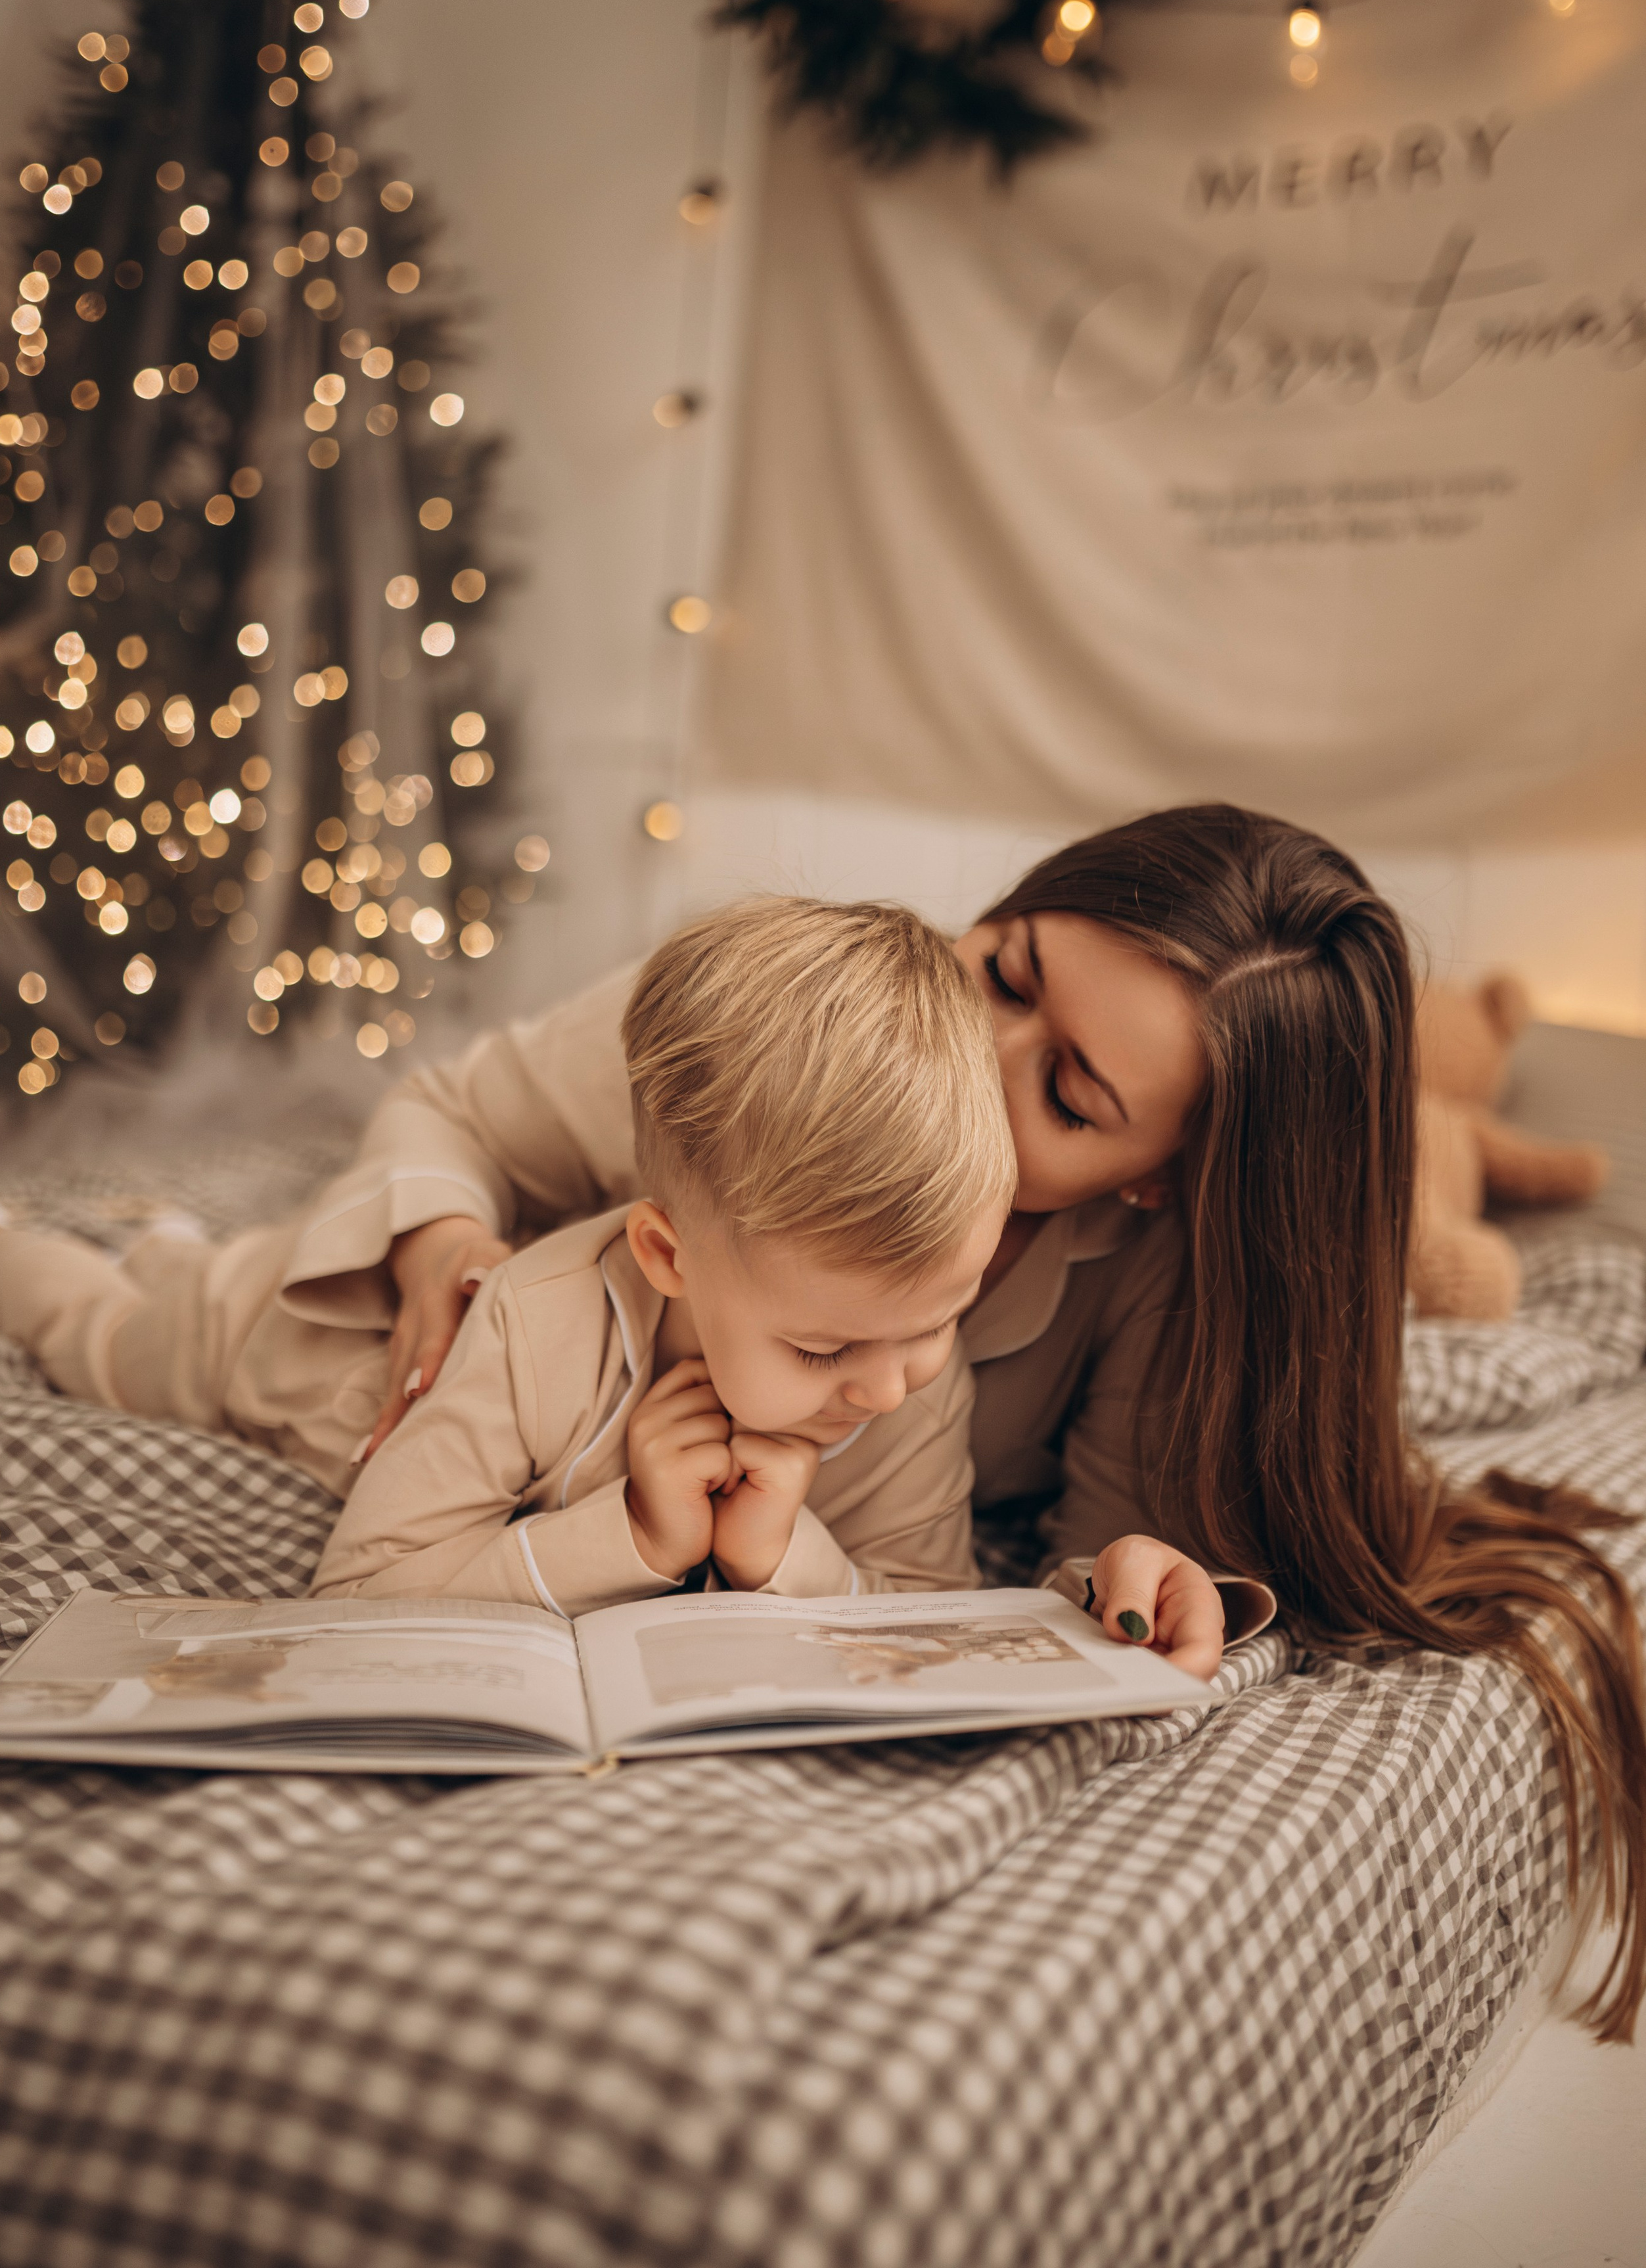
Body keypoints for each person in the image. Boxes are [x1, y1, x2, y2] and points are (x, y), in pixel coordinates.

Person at [276, 800, 1645, 2041]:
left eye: (1063, 1095)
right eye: (1002, 973)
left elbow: (1077, 1564)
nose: (979, 1057)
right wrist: (444, 1250)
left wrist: (1128, 1581)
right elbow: (452, 1108)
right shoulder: (777, 1036)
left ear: (1152, 1185)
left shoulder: (1156, 1277)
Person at [0, 896, 1233, 1659]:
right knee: (103, 1330)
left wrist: (783, 1557)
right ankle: (3, 1237)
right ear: (669, 1253)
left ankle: (165, 1238)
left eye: (939, 1326)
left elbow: (920, 1603)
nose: (892, 1390)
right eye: (820, 1355)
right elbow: (362, 1586)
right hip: (298, 1364)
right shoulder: (544, 1316)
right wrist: (623, 1537)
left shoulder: (900, 1356)